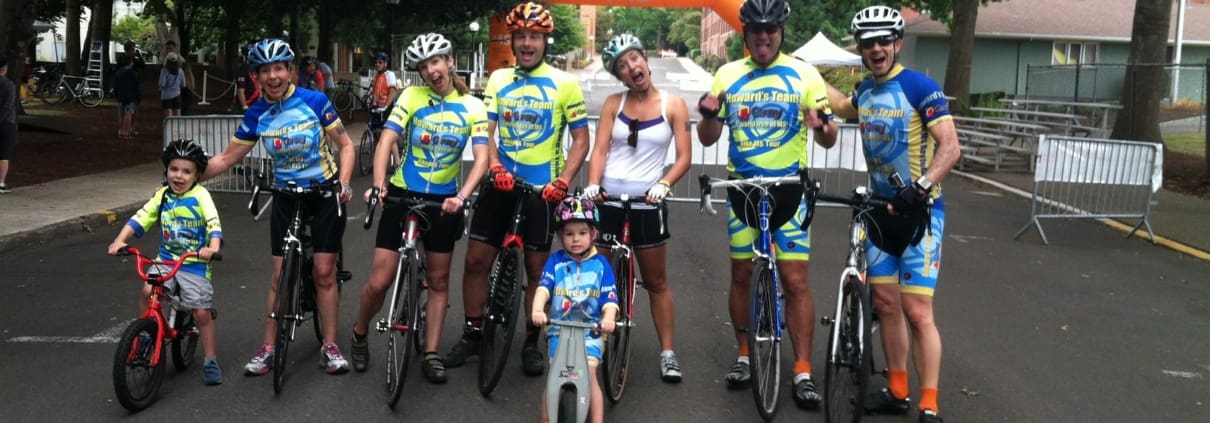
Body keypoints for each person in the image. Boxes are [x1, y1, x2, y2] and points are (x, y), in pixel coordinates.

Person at [695, 0, 839, 410]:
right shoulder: (727, 74)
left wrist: (823, 125)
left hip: (789, 190)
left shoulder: (805, 74)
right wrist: (707, 114)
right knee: (742, 274)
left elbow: (829, 138)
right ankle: (745, 355)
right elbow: (708, 137)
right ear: (745, 34)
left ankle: (803, 372)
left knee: (795, 281)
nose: (763, 36)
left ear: (781, 31)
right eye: (756, 29)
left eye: (770, 28)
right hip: (743, 188)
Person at [825, 6, 961, 423]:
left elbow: (951, 148)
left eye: (884, 40)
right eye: (869, 43)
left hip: (920, 215)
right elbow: (840, 106)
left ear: (897, 43)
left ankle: (930, 403)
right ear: (862, 49)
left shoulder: (920, 87)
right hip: (878, 214)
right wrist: (801, 73)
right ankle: (898, 390)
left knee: (918, 312)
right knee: (886, 305)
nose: (877, 48)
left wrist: (920, 188)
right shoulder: (865, 92)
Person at [443, 1, 590, 378]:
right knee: (476, 260)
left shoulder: (565, 83)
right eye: (520, 36)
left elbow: (580, 139)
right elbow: (486, 131)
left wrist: (563, 180)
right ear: (511, 40)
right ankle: (474, 334)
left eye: (534, 37)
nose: (526, 43)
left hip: (543, 190)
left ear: (545, 40)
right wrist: (492, 165)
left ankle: (529, 342)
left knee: (537, 270)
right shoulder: (498, 79)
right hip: (500, 184)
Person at [200, 38, 356, 376]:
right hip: (286, 195)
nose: (273, 76)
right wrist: (186, 175)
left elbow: (345, 144)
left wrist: (343, 183)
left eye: (279, 69)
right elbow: (227, 158)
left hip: (324, 193)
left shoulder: (314, 101)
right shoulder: (257, 113)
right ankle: (268, 347)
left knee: (325, 274)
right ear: (257, 76)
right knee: (278, 275)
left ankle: (330, 346)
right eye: (265, 71)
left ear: (290, 71)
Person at [348, 32, 491, 383]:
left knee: (439, 280)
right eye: (423, 66)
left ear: (449, 61)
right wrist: (380, 183)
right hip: (402, 194)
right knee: (379, 282)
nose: (430, 70)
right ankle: (360, 333)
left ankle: (430, 352)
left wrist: (462, 195)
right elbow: (387, 141)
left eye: (435, 61)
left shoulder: (473, 105)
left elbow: (483, 158)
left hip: (443, 201)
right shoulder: (411, 95)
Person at [584, 33, 692, 383]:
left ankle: (668, 353)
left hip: (648, 201)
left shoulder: (672, 104)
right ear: (620, 75)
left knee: (656, 281)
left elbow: (684, 157)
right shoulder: (614, 103)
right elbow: (599, 149)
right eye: (622, 66)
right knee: (598, 274)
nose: (631, 68)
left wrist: (664, 184)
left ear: (644, 59)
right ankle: (590, 343)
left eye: (634, 59)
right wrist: (593, 184)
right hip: (609, 200)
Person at [106, 140, 224, 385]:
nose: (179, 176)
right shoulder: (162, 196)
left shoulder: (201, 195)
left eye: (186, 171)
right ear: (166, 170)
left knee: (201, 313)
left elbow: (214, 225)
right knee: (148, 290)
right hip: (167, 259)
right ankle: (147, 333)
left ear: (197, 175)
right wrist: (119, 241)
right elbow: (140, 219)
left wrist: (211, 248)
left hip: (193, 263)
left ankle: (210, 359)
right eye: (174, 169)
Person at [530, 196, 618, 423]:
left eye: (582, 233)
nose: (575, 239)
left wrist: (608, 318)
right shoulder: (556, 261)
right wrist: (538, 309)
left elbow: (610, 299)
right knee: (555, 378)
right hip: (560, 329)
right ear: (560, 236)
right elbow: (543, 288)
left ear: (593, 234)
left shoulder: (601, 265)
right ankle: (546, 418)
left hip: (591, 330)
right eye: (569, 234)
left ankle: (597, 420)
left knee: (589, 377)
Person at [164, 40, 196, 115]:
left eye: (170, 48)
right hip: (173, 91)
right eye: (167, 49)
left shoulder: (180, 60)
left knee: (183, 112)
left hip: (182, 90)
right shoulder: (166, 60)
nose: (169, 51)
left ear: (175, 49)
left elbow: (188, 72)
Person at [114, 56, 141, 139]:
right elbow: (137, 87)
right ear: (131, 63)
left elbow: (116, 86)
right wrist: (139, 97)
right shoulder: (134, 74)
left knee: (121, 115)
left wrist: (117, 95)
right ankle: (126, 133)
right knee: (128, 114)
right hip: (131, 98)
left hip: (121, 96)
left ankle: (121, 130)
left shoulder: (118, 73)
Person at [0, 56, 15, 193]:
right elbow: (7, 106)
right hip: (5, 124)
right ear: (4, 68)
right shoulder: (8, 85)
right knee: (3, 155)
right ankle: (1, 183)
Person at [159, 53, 185, 117]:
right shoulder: (180, 71)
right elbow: (183, 85)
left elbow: (162, 84)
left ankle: (169, 127)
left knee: (168, 118)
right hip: (177, 95)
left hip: (166, 96)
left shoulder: (164, 70)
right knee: (178, 117)